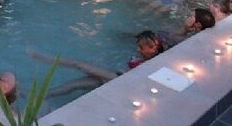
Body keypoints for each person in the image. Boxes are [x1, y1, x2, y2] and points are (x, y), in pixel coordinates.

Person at [29, 30, 166, 97]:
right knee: (73, 85)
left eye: (141, 47)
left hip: (119, 79)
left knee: (78, 64)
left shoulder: (154, 63)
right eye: (138, 46)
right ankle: (34, 97)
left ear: (153, 48)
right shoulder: (143, 56)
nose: (138, 49)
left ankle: (41, 57)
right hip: (115, 77)